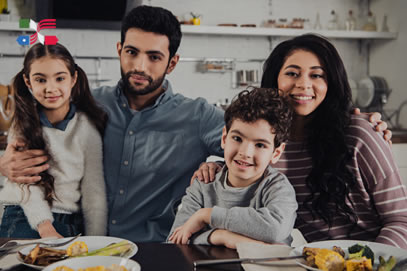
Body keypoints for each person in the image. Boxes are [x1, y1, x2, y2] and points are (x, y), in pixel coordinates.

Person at [0, 7, 393, 242]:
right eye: (132, 52)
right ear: (118, 50)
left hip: (162, 247)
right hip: (90, 244)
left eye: (154, 56)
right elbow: (30, 135)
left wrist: (360, 120)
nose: (140, 66)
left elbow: (249, 140)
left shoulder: (199, 115)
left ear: (171, 63)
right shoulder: (87, 102)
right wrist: (5, 163)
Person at [195, 34, 407, 249]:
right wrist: (219, 169)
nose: (304, 84)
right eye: (292, 73)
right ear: (275, 79)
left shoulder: (360, 134)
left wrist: (371, 263)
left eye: (317, 75)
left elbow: (401, 221)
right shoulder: (267, 148)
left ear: (330, 84)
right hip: (316, 262)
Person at [0, 43, 107, 238]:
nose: (51, 88)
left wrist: (97, 240)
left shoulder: (87, 129)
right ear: (28, 82)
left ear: (73, 79)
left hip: (70, 219)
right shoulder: (22, 124)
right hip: (24, 214)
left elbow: (94, 191)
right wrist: (45, 227)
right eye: (40, 80)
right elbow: (26, 183)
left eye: (60, 78)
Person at [168, 88, 298, 248]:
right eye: (237, 138)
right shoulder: (203, 184)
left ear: (276, 153)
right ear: (224, 138)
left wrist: (207, 216)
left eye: (260, 145)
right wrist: (221, 236)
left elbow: (275, 229)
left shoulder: (278, 187)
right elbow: (176, 240)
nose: (245, 153)